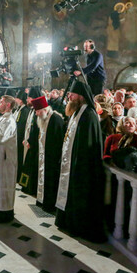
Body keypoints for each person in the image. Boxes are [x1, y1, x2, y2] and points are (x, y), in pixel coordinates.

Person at [54, 80, 106, 243]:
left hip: (82, 165)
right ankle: (67, 221)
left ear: (81, 96)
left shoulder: (89, 115)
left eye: (72, 94)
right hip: (71, 162)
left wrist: (78, 161)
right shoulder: (77, 112)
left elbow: (87, 144)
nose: (69, 96)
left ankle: (78, 226)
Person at [32, 96, 65, 214]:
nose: (36, 114)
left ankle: (50, 205)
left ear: (45, 109)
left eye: (38, 111)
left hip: (53, 158)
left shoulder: (56, 119)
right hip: (44, 156)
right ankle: (42, 201)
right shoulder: (43, 119)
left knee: (51, 181)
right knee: (43, 178)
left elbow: (59, 140)